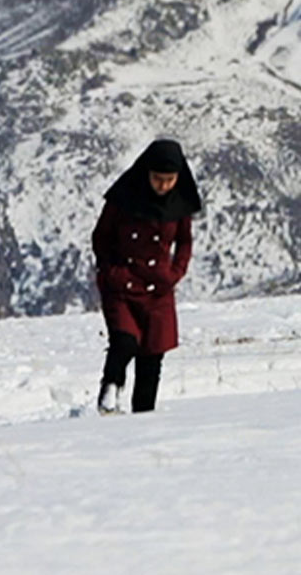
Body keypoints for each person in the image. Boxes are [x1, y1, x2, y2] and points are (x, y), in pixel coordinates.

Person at [90, 139, 202, 414]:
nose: (163, 186)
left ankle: (143, 421)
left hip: (158, 289)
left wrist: (175, 272)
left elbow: (185, 242)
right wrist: (111, 270)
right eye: (157, 179)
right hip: (122, 284)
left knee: (152, 360)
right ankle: (110, 389)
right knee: (124, 340)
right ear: (146, 173)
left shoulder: (180, 204)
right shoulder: (123, 197)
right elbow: (101, 237)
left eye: (169, 180)